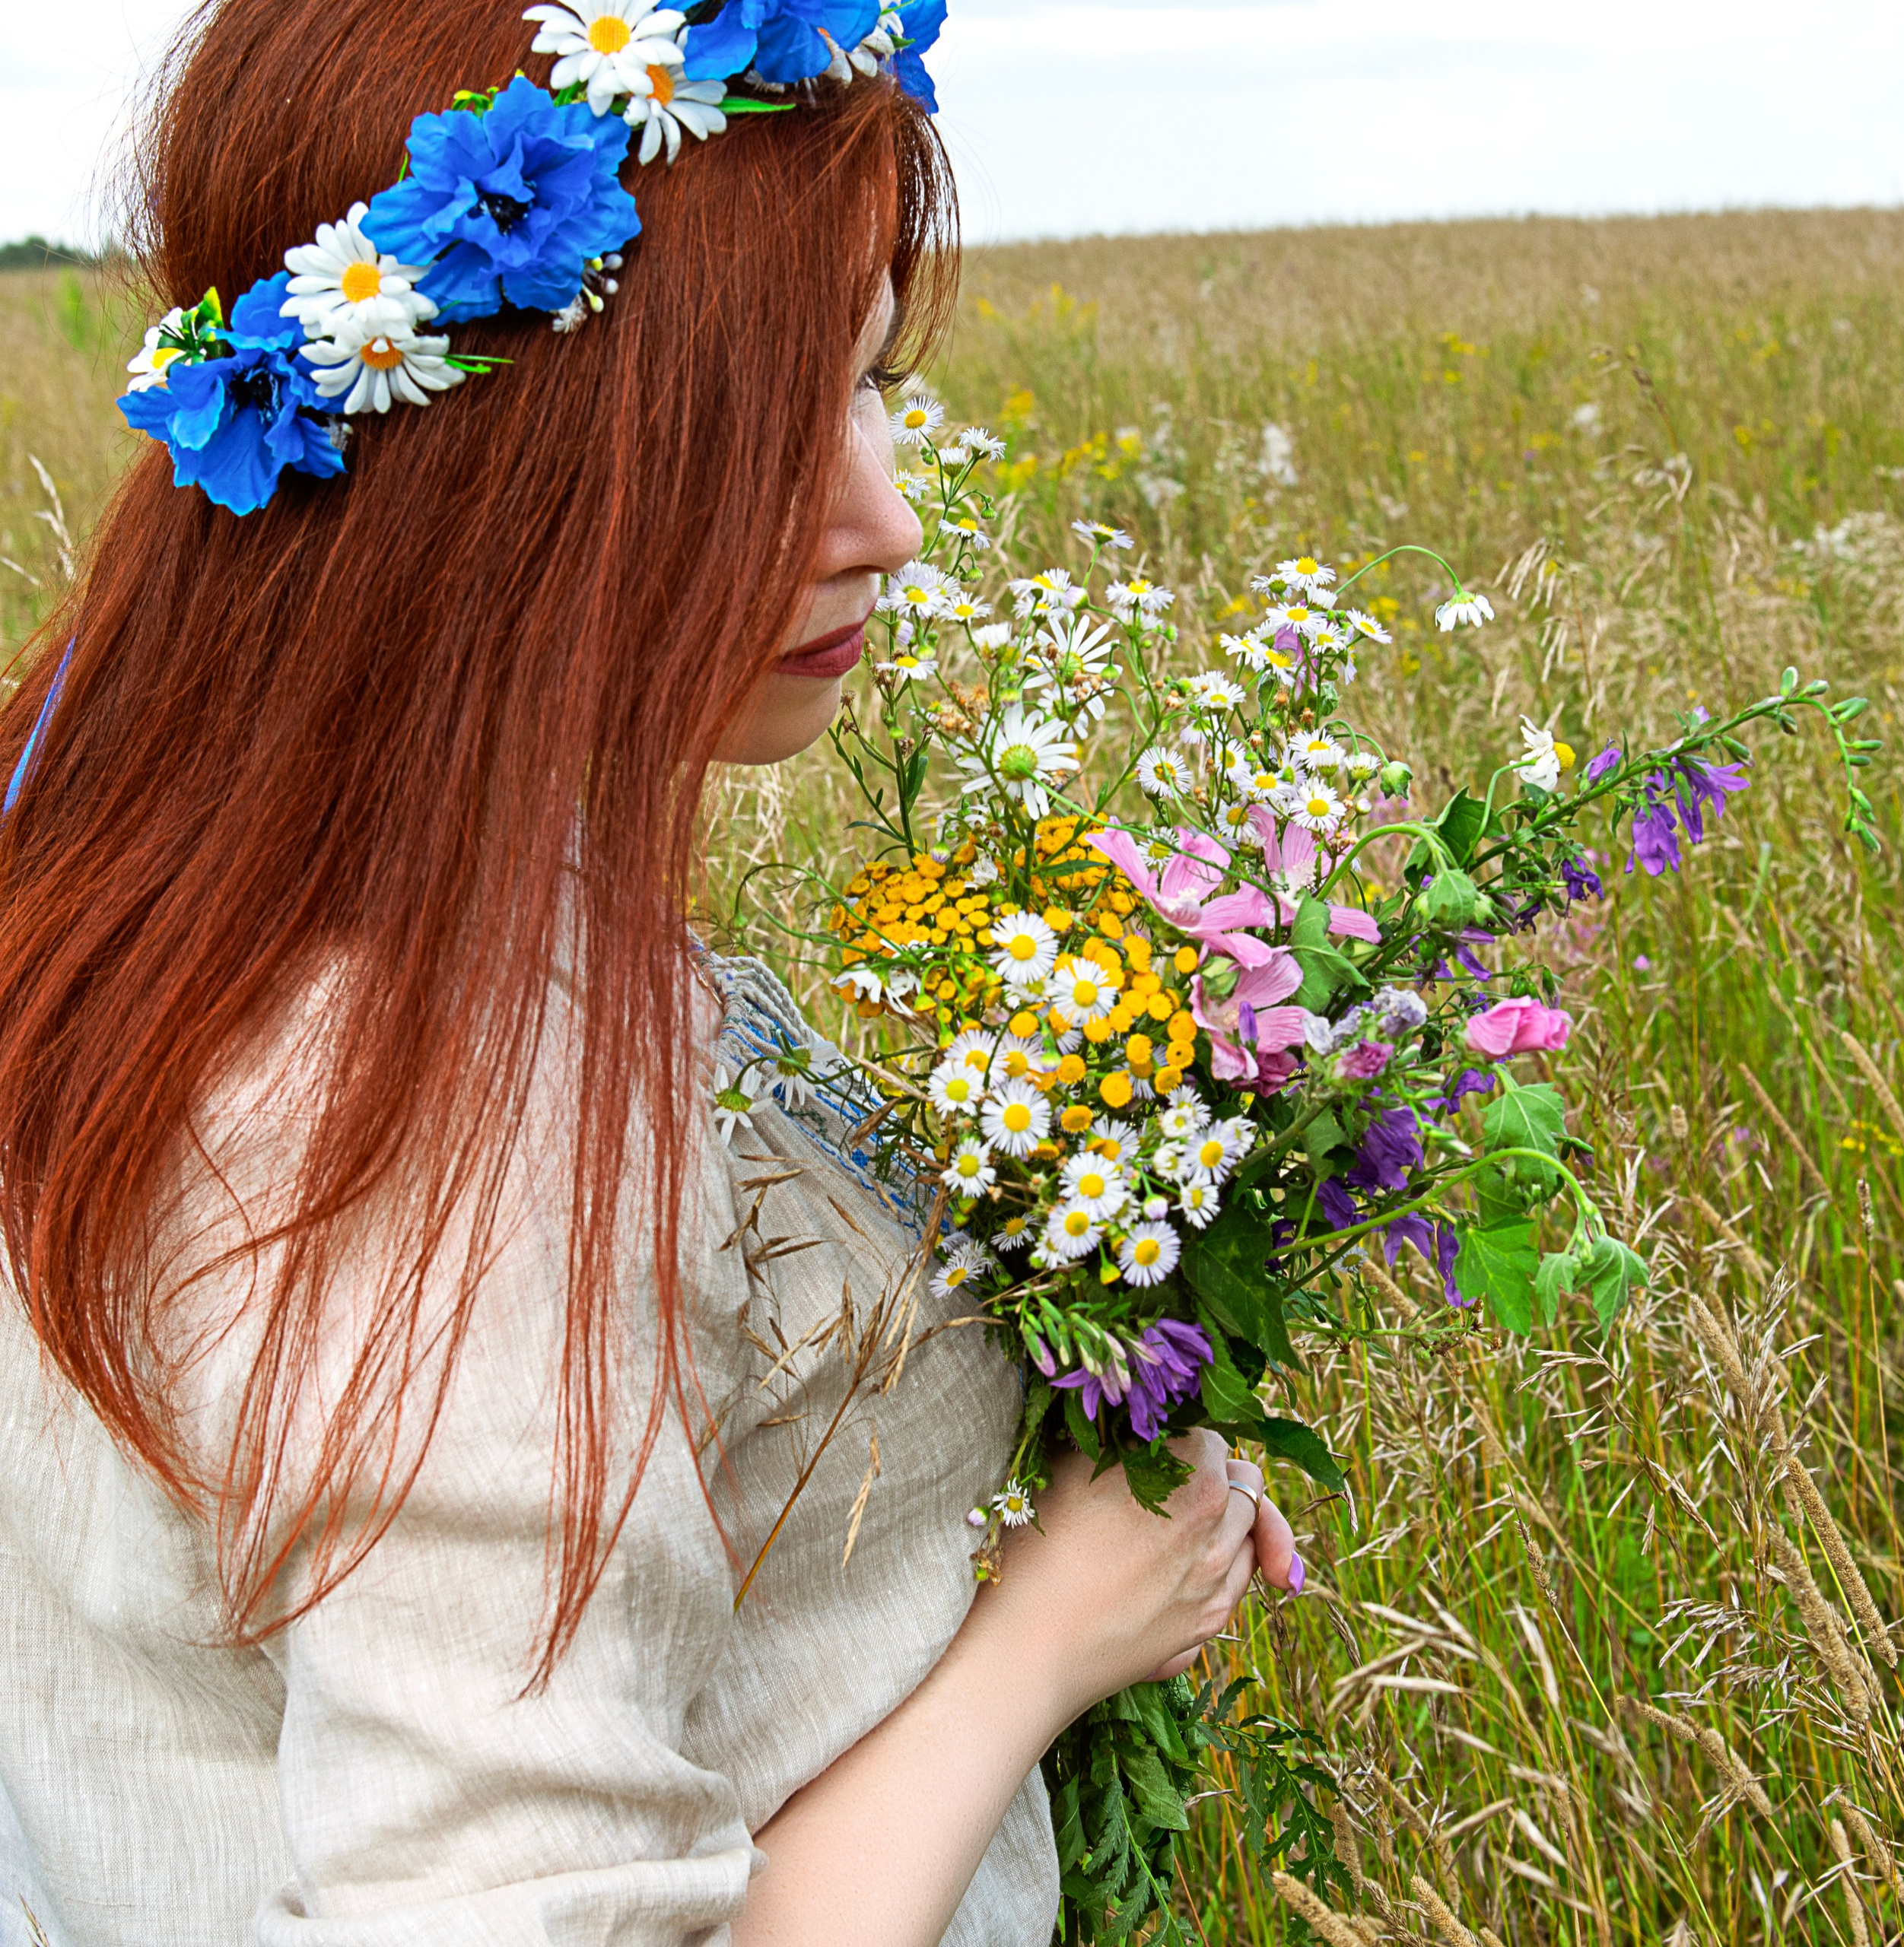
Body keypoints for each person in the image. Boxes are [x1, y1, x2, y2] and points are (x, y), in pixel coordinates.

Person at [0, 2, 1298, 1942]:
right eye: (757, 433)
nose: (885, 521)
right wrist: (1041, 1641)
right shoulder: (431, 1103)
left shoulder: (178, 868)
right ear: (491, 458)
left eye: (871, 385)